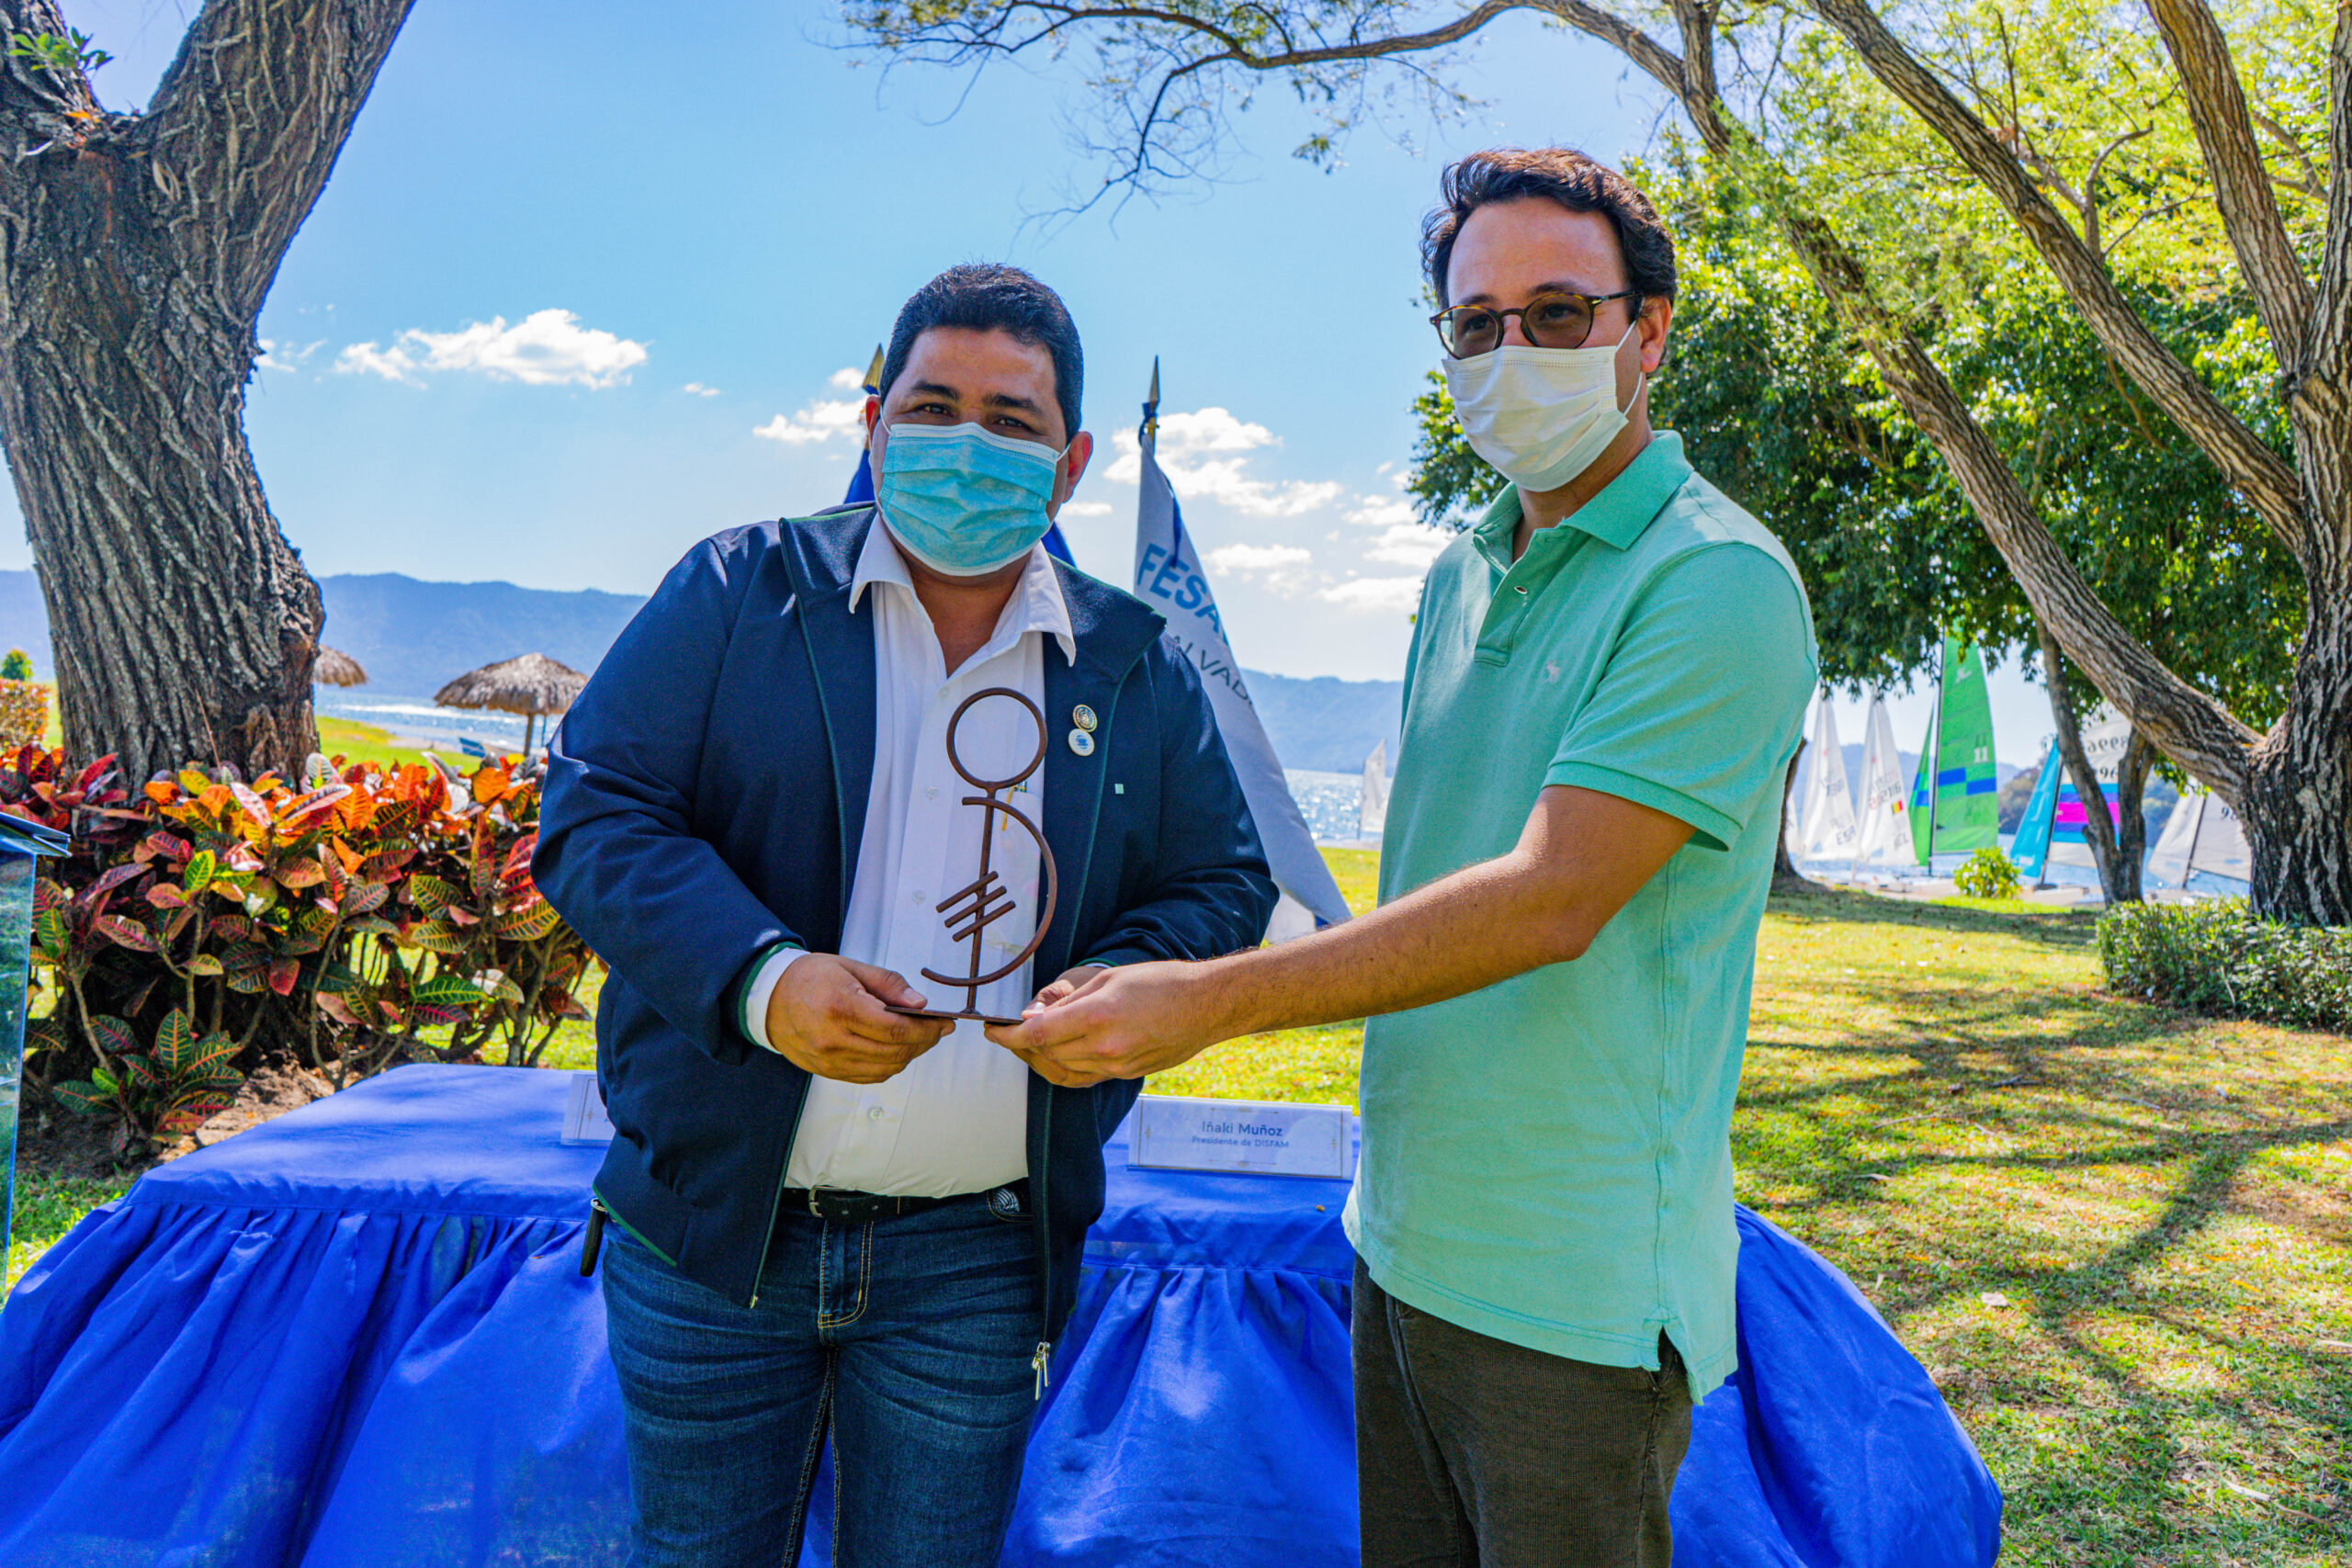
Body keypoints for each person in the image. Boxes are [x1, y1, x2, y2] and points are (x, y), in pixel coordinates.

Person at [989, 149, 1820, 1566]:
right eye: (1476, 323)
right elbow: (1441, 877)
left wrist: (1208, 1000)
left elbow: (1552, 898)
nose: (1514, 352)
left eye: (1558, 315)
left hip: (1574, 1291)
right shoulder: (1460, 572)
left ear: (1649, 330)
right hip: (1402, 1241)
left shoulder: (1712, 579)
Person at [534, 262, 1275, 1568]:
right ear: (874, 421)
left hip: (977, 1259)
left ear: (1072, 464)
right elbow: (598, 811)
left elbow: (1223, 881)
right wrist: (764, 981)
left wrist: (1120, 986)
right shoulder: (737, 591)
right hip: (711, 1235)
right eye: (932, 408)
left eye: (1011, 420)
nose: (966, 444)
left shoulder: (1137, 662)